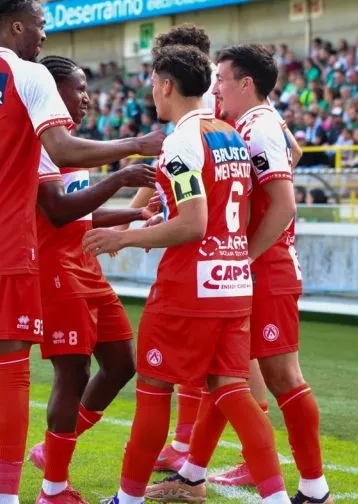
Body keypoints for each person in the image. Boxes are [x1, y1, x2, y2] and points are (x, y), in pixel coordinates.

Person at [0, 0, 164, 504]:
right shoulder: (27, 76)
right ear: (17, 27)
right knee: (12, 371)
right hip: (4, 244)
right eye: (41, 28)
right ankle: (10, 496)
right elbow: (62, 146)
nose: (44, 37)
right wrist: (135, 146)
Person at [84, 43, 291, 504]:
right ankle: (278, 498)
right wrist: (157, 219)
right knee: (232, 392)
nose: (152, 94)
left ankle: (129, 497)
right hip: (234, 285)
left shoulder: (181, 140)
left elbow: (194, 223)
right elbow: (213, 212)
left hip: (189, 290)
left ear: (166, 86)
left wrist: (125, 237)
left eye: (153, 85)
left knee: (154, 390)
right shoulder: (228, 133)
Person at [145, 44, 333, 503]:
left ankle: (315, 489)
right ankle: (191, 477)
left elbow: (285, 204)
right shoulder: (254, 125)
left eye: (223, 81)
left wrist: (243, 255)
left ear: (246, 84)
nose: (216, 90)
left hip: (265, 268)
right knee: (222, 377)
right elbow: (295, 151)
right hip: (249, 269)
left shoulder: (261, 125)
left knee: (282, 377)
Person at [26, 55, 156, 504]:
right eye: (76, 88)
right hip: (54, 270)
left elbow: (80, 207)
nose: (85, 96)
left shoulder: (67, 145)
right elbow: (58, 212)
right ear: (50, 92)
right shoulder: (40, 143)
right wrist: (121, 175)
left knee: (122, 362)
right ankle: (53, 489)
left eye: (86, 88)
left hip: (84, 266)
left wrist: (135, 213)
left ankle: (53, 450)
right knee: (73, 371)